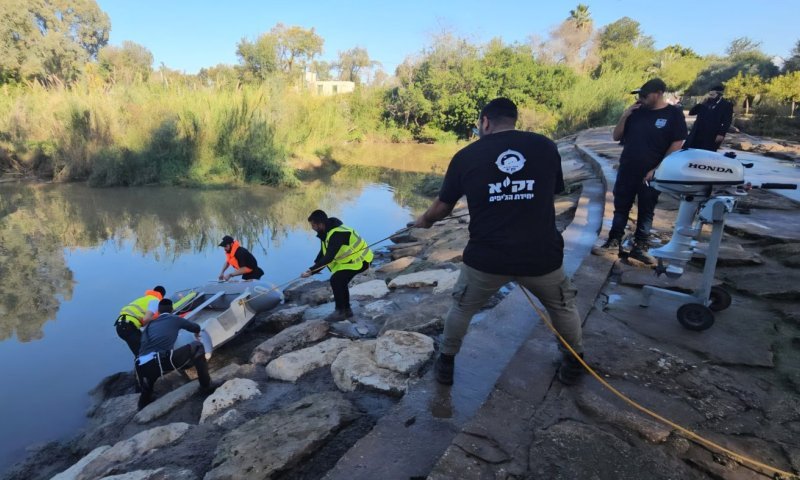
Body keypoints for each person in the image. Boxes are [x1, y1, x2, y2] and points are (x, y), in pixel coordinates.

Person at [413, 97, 585, 386]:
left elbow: (442, 207)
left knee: (462, 307)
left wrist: (424, 221)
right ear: (513, 119)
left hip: (486, 259)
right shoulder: (545, 146)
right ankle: (574, 363)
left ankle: (446, 364)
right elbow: (550, 192)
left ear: (486, 122)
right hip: (541, 256)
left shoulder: (466, 156)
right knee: (563, 306)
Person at [600, 78, 687, 263]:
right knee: (621, 206)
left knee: (646, 209)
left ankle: (640, 246)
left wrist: (658, 168)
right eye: (639, 95)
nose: (641, 98)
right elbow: (616, 136)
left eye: (644, 95)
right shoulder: (636, 113)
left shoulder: (673, 114)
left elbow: (677, 143)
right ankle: (614, 240)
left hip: (652, 171)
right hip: (628, 167)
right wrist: (625, 115)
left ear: (658, 94)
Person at [135, 298, 215, 410]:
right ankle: (206, 385)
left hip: (141, 366)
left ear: (158, 311)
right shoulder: (174, 319)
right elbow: (195, 327)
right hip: (159, 363)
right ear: (172, 309)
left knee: (151, 371)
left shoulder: (149, 326)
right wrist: (197, 333)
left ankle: (143, 403)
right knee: (197, 346)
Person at [300, 210, 374, 322]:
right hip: (351, 261)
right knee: (340, 281)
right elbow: (323, 252)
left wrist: (311, 270)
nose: (312, 228)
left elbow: (329, 257)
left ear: (320, 224)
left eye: (313, 225)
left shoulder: (338, 234)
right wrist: (313, 269)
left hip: (362, 261)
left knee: (336, 280)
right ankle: (347, 310)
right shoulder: (326, 231)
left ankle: (340, 311)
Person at [115, 286, 166, 356]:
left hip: (120, 326)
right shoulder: (155, 301)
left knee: (139, 352)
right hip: (129, 326)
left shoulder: (143, 299)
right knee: (145, 350)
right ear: (162, 295)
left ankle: (142, 364)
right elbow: (148, 320)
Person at [685, 85, 733, 152]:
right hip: (697, 132)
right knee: (689, 151)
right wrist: (701, 103)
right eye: (709, 94)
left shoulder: (726, 105)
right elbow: (691, 113)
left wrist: (721, 134)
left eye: (712, 94)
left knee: (706, 154)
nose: (710, 96)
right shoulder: (705, 102)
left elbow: (727, 121)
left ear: (719, 95)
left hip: (711, 134)